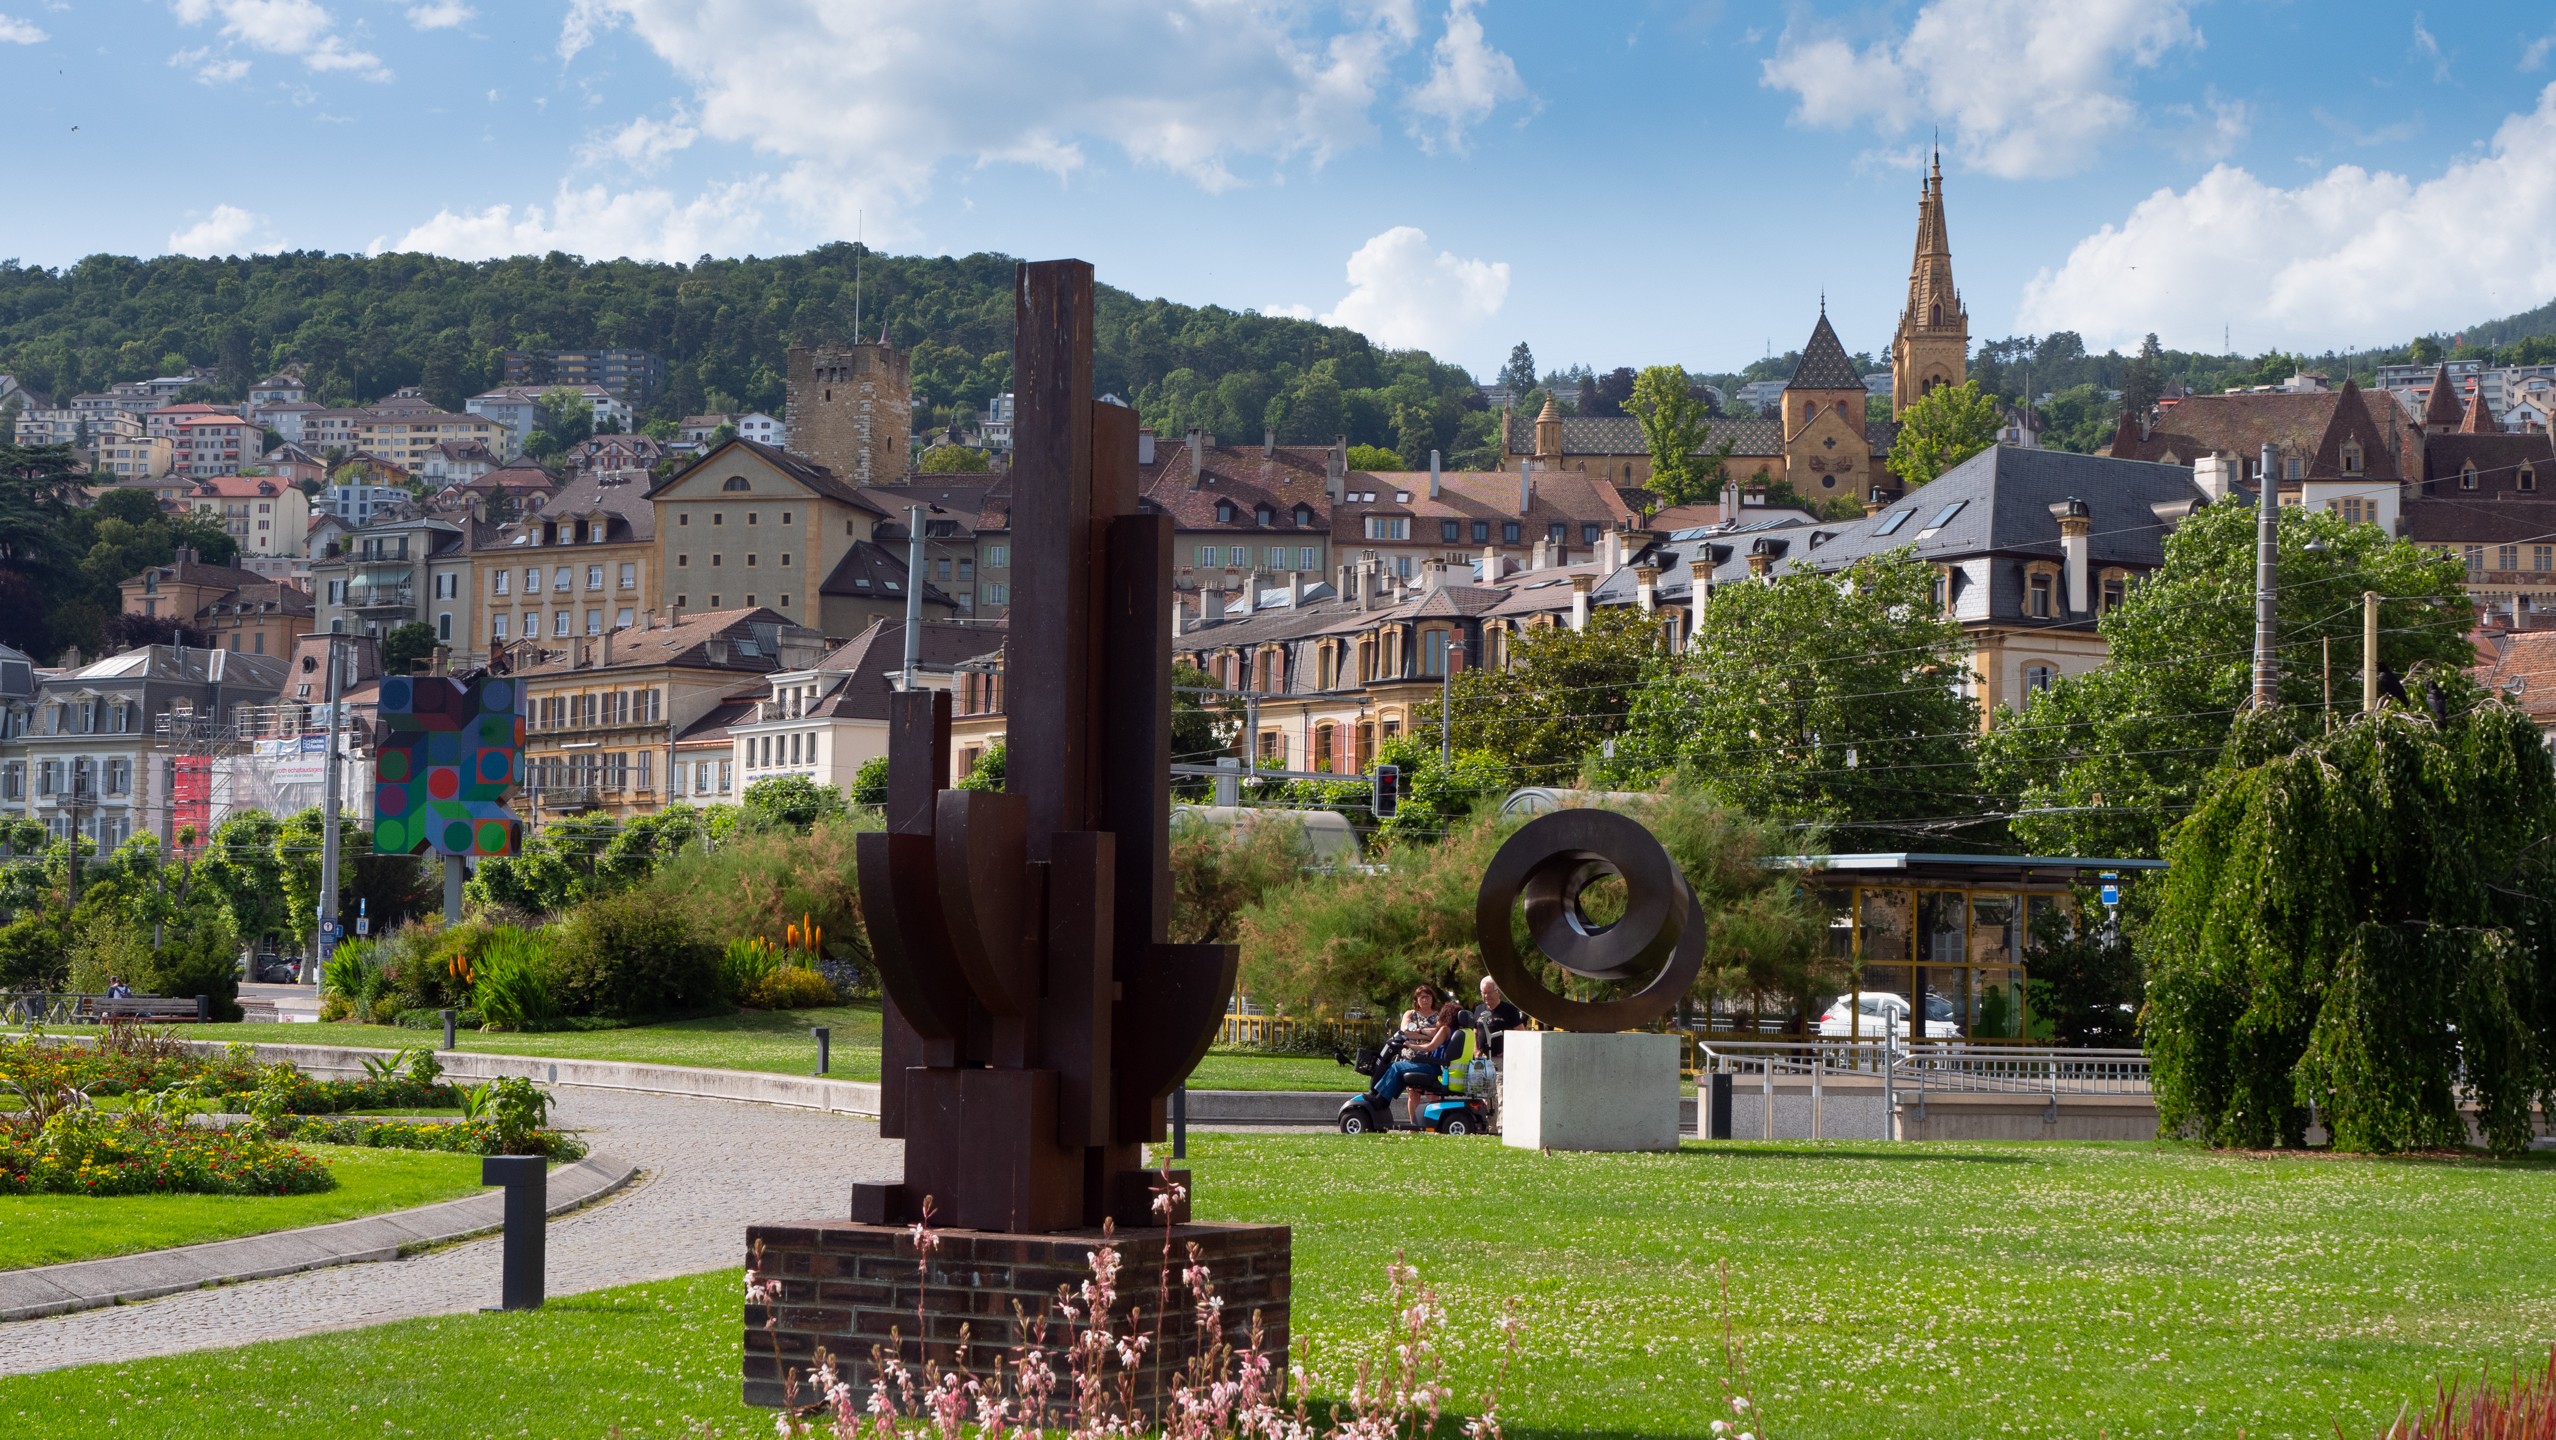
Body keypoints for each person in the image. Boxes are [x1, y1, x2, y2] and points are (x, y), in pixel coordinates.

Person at [1370, 984, 1456, 1123]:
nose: (1425, 1000)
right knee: (1413, 1094)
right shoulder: (1410, 1014)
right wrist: (1426, 1034)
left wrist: (1418, 1032)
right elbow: (1405, 1032)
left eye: (1427, 997)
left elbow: (1438, 1035)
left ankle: (1379, 1098)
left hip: (1430, 1059)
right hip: (1411, 1057)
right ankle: (1413, 1125)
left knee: (1432, 1095)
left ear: (1432, 998)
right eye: (1422, 997)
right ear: (1416, 999)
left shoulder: (1438, 1017)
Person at [1476, 976, 1523, 1057]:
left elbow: (1521, 1033)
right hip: (1483, 1059)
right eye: (1484, 993)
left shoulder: (1510, 1010)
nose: (1486, 996)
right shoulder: (1478, 1009)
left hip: (1503, 1058)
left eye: (1489, 992)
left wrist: (1510, 1051)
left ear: (1498, 992)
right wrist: (1476, 1050)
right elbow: (1475, 1032)